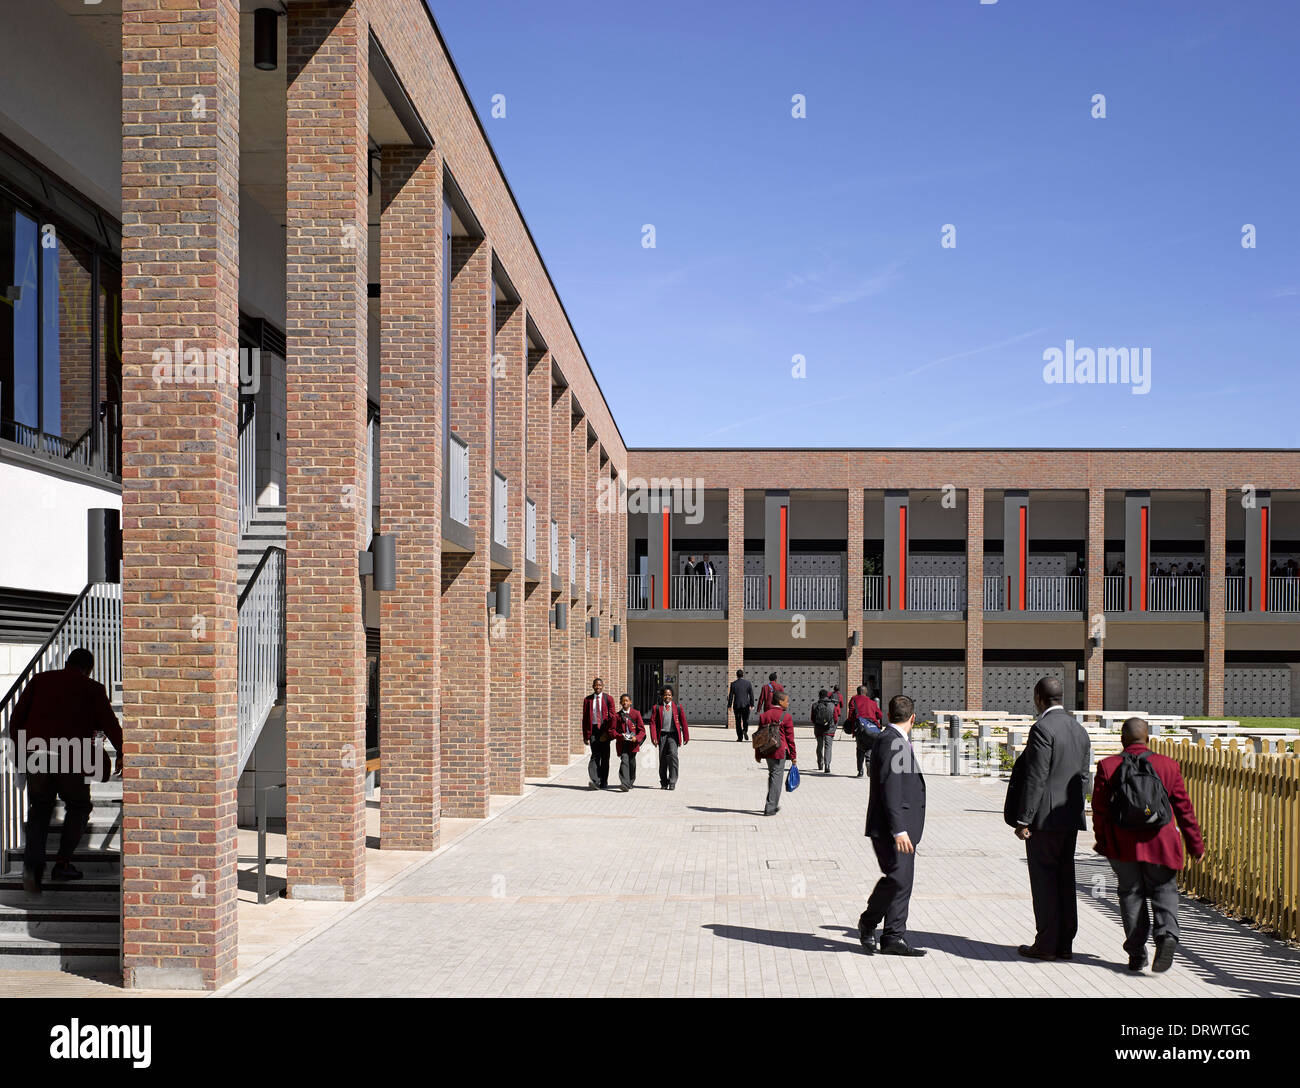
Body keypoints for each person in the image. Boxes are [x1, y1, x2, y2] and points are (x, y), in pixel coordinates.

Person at [1092, 718, 1204, 972]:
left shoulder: (1108, 766)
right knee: (1164, 889)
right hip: (1161, 842)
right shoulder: (1168, 766)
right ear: (1148, 739)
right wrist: (1195, 845)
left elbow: (1099, 811)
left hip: (1123, 845)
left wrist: (1103, 842)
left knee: (1131, 895)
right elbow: (1184, 810)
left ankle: (1136, 954)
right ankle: (1166, 937)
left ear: (1122, 738)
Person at [11, 648, 122, 893]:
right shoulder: (93, 689)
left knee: (39, 808)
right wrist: (122, 751)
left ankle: (32, 867)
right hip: (72, 757)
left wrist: (20, 752)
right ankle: (62, 863)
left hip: (36, 755)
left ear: (67, 663)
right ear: (88, 668)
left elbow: (16, 718)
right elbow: (109, 724)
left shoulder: (40, 680)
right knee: (79, 806)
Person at [1006, 676, 1091, 961]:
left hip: (1044, 820)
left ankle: (1045, 943)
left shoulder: (1042, 728)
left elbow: (1036, 775)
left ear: (1038, 698)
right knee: (1065, 880)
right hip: (1069, 818)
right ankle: (1065, 943)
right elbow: (1083, 777)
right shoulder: (1079, 729)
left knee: (1044, 882)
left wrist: (1024, 819)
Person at [859, 695, 927, 956]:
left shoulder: (893, 739)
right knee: (898, 878)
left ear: (888, 714)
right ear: (913, 717)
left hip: (900, 825)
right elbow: (890, 786)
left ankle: (893, 937)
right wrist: (899, 829)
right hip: (892, 828)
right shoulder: (893, 742)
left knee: (903, 881)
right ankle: (868, 922)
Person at [754, 690, 796, 816]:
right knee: (776, 778)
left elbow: (759, 736)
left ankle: (772, 803)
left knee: (772, 775)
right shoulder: (786, 717)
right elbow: (790, 739)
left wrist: (758, 754)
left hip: (767, 750)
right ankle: (770, 807)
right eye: (786, 701)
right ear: (780, 701)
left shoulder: (764, 715)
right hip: (779, 752)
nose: (788, 703)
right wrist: (794, 756)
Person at [649, 685, 689, 790]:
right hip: (662, 735)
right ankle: (663, 782)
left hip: (673, 735)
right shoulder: (657, 707)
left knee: (673, 756)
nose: (668, 696)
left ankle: (672, 781)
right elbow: (652, 723)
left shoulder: (677, 707)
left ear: (672, 696)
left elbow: (683, 722)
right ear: (662, 696)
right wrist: (653, 737)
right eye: (665, 694)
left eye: (670, 695)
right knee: (663, 759)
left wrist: (686, 736)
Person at [582, 678, 616, 790]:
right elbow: (585, 718)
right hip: (593, 730)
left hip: (605, 730)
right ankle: (595, 781)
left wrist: (608, 733)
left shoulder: (608, 699)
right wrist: (585, 735)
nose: (598, 687)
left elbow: (613, 717)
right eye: (596, 685)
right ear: (593, 686)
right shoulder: (588, 700)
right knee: (595, 755)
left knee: (605, 757)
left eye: (600, 685)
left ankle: (604, 781)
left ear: (603, 686)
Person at [611, 693, 647, 793]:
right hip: (622, 743)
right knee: (624, 761)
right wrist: (620, 736)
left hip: (633, 743)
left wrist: (637, 738)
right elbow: (612, 731)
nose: (625, 702)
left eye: (627, 700)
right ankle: (624, 784)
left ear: (630, 702)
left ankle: (630, 781)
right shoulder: (617, 716)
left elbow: (642, 730)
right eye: (623, 701)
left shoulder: (636, 714)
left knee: (632, 762)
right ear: (620, 702)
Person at [848, 683, 883, 778]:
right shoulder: (872, 702)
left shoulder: (854, 700)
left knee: (860, 749)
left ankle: (860, 771)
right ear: (866, 692)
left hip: (860, 728)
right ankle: (868, 761)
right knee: (870, 748)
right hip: (872, 729)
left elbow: (851, 715)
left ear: (857, 692)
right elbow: (880, 715)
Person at [811, 688, 838, 774]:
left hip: (818, 729)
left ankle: (820, 763)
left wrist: (818, 723)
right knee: (828, 747)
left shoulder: (815, 705)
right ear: (827, 696)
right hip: (829, 729)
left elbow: (812, 719)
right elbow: (836, 718)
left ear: (819, 696)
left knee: (819, 746)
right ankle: (827, 765)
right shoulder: (832, 705)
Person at [727, 668, 754, 742]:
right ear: (743, 675)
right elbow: (751, 695)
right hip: (745, 705)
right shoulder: (748, 683)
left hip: (737, 705)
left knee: (738, 721)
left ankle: (740, 737)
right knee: (745, 720)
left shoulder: (733, 684)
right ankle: (745, 730)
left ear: (736, 675)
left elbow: (731, 696)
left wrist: (729, 706)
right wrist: (752, 704)